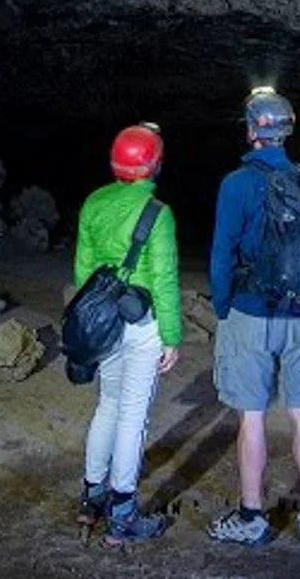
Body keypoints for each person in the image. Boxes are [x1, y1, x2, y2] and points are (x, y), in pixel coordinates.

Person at [207, 87, 300, 546]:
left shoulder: (237, 183)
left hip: (251, 311)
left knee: (253, 415)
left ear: (251, 131)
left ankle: (251, 515)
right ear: (288, 131)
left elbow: (222, 253)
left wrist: (222, 304)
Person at [73, 123, 183, 545]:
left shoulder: (94, 202)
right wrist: (172, 335)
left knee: (108, 405)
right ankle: (122, 513)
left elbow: (83, 271)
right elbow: (165, 280)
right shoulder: (157, 212)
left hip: (105, 323)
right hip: (141, 325)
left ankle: (91, 497)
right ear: (155, 164)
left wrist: (98, 314)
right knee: (133, 417)